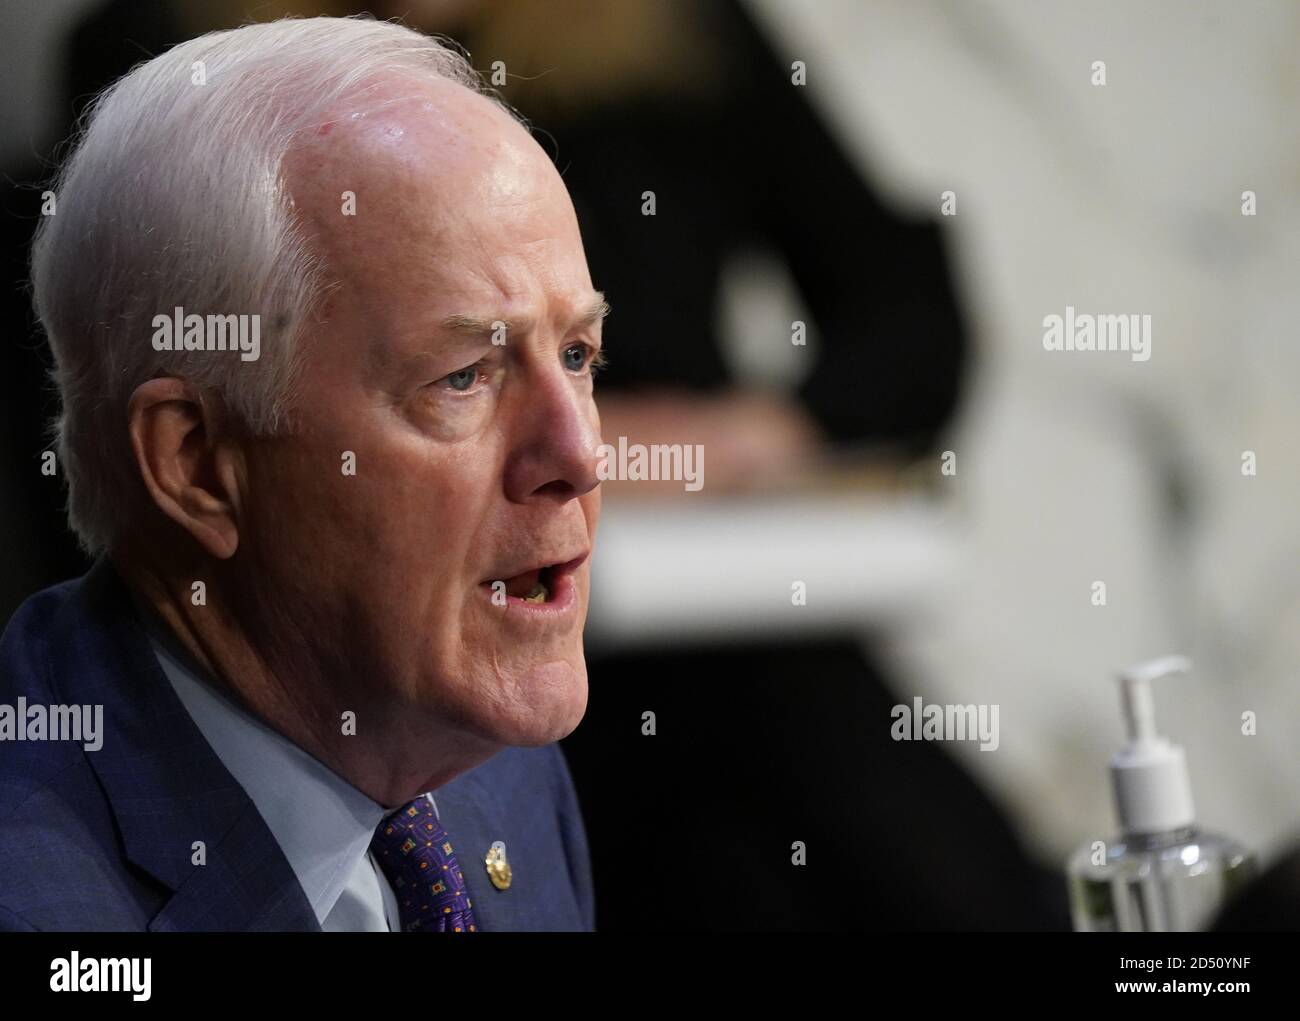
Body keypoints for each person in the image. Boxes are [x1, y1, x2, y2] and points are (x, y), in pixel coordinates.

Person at [0, 15, 600, 932]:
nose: (579, 456)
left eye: (577, 353)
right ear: (196, 462)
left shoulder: (491, 766)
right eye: (463, 377)